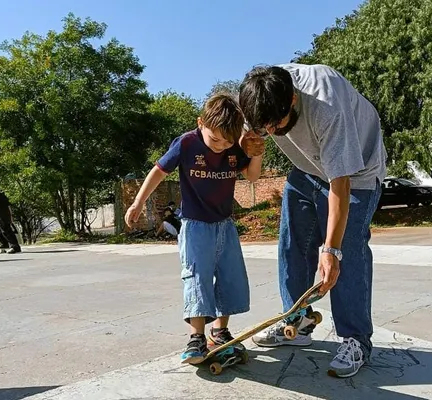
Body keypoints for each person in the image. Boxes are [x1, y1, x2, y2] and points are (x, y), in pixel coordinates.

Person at [238, 64, 387, 378]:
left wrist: (331, 250)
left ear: (292, 99)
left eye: (276, 126)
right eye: (265, 128)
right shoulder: (259, 100)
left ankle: (356, 339)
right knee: (293, 241)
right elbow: (250, 142)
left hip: (356, 173)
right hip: (306, 169)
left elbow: (340, 184)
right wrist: (247, 145)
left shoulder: (326, 105)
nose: (273, 133)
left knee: (346, 250)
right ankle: (297, 321)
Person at [124, 93, 264, 364]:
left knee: (229, 277)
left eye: (227, 142)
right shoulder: (186, 144)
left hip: (225, 224)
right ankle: (196, 338)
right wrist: (138, 203)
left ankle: (220, 331)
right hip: (195, 225)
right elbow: (158, 171)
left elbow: (252, 176)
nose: (220, 147)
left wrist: (255, 153)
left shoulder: (234, 145)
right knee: (197, 277)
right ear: (201, 123)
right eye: (215, 140)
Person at [0, 182, 21, 253]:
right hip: (6, 215)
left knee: (7, 231)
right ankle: (5, 244)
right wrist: (11, 216)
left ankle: (15, 246)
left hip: (2, 216)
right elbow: (8, 206)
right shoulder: (2, 195)